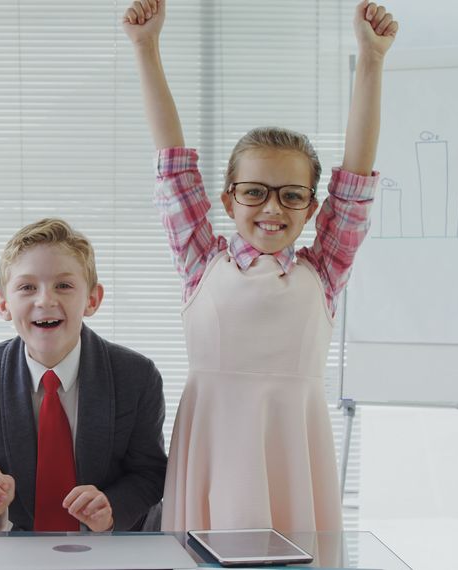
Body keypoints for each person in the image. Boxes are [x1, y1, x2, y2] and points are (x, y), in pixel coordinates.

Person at [123, 0, 398, 532]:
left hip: (292, 448)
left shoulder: (325, 269)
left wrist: (371, 59)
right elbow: (174, 164)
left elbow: (356, 179)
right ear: (229, 201)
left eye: (292, 195)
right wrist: (146, 48)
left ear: (311, 208)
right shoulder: (201, 261)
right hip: (214, 444)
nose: (272, 208)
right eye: (255, 193)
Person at [0, 218, 167, 532]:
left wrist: (110, 509)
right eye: (27, 287)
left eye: (64, 286)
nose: (45, 300)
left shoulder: (136, 376)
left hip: (111, 549)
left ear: (92, 300)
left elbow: (149, 473)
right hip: (19, 551)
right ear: (3, 305)